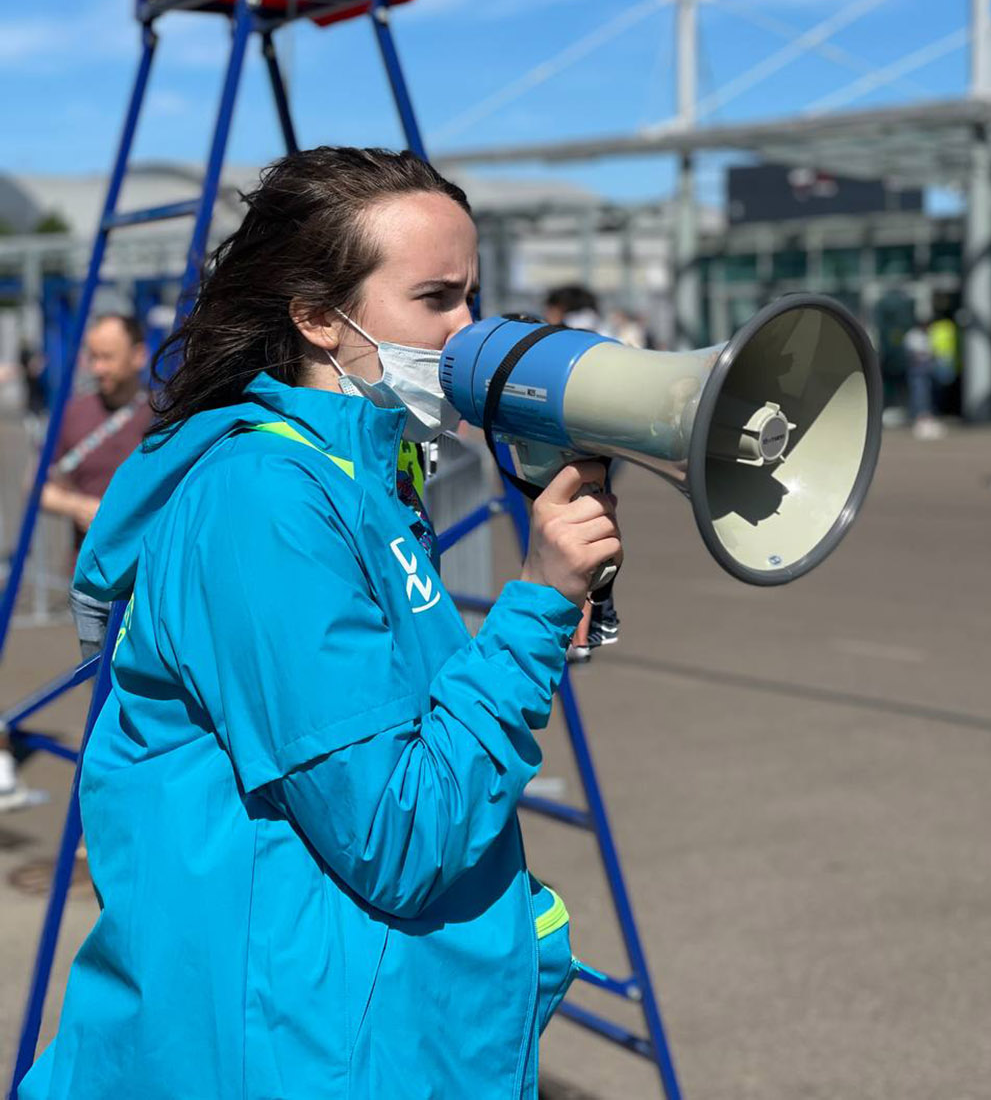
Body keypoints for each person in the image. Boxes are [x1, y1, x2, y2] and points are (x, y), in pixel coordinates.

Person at [20, 147, 623, 1100]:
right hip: (288, 1052)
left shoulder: (359, 474)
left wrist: (537, 631)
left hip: (333, 1030)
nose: (472, 330)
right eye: (436, 299)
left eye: (473, 293)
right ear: (315, 316)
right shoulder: (265, 501)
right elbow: (396, 831)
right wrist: (537, 603)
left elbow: (394, 727)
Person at [41, 314, 152, 659]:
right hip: (91, 582)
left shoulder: (164, 412)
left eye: (108, 357)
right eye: (93, 357)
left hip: (148, 579)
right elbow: (38, 487)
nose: (97, 368)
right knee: (100, 690)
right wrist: (78, 507)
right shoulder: (72, 414)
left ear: (137, 355)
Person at [544, 283, 620, 660]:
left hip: (573, 442)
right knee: (596, 533)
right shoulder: (604, 329)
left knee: (574, 542)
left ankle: (578, 637)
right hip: (605, 442)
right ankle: (594, 627)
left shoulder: (567, 335)